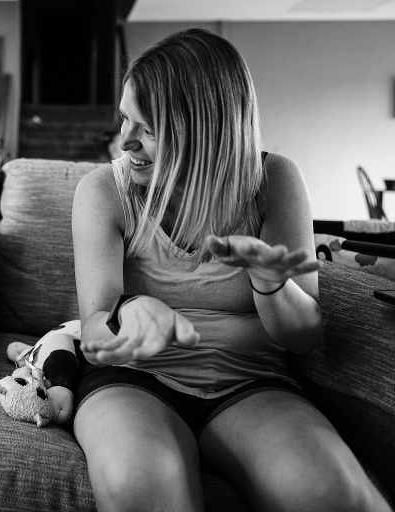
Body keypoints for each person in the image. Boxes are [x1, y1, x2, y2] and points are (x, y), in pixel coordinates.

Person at [71, 29, 391, 512]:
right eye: (124, 118)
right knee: (142, 490)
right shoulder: (103, 192)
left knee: (334, 497)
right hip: (134, 381)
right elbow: (95, 334)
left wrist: (271, 285)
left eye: (148, 128)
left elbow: (304, 337)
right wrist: (129, 313)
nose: (125, 141)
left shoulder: (274, 181)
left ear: (205, 132)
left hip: (251, 383)